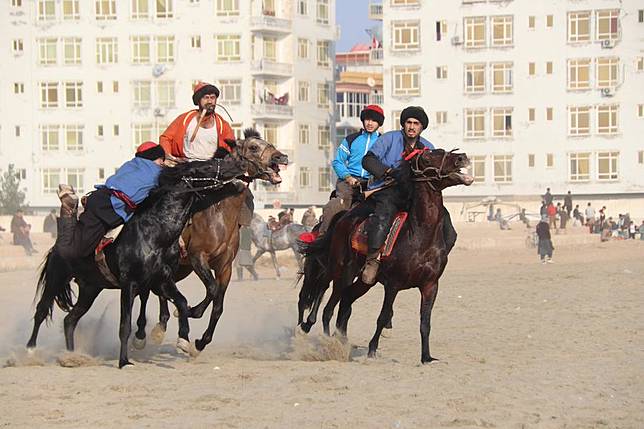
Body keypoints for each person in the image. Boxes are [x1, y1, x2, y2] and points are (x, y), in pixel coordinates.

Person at [360, 106, 434, 284]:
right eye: (408, 122)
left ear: (421, 127)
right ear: (403, 124)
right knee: (384, 214)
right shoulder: (389, 139)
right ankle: (372, 259)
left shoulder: (428, 148)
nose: (411, 126)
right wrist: (388, 172)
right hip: (386, 190)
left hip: (412, 194)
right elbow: (368, 160)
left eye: (416, 123)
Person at [55, 142, 165, 260]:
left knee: (79, 235)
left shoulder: (131, 165)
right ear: (152, 158)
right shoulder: (158, 173)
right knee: (72, 252)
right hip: (110, 208)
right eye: (161, 160)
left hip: (100, 197)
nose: (163, 163)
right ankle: (68, 210)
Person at [319, 105, 384, 235]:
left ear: (379, 123)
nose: (370, 123)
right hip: (348, 182)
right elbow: (338, 161)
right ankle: (322, 238)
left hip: (373, 184)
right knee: (336, 206)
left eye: (374, 120)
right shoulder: (351, 139)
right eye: (367, 119)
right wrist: (348, 177)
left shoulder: (384, 141)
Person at [160, 81, 235, 162]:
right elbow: (165, 138)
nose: (210, 101)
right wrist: (169, 157)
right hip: (187, 165)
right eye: (206, 97)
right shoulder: (184, 120)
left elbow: (232, 148)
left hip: (212, 166)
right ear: (198, 101)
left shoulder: (223, 125)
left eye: (212, 98)